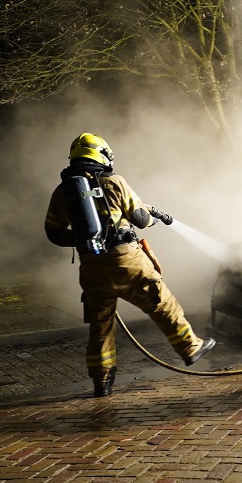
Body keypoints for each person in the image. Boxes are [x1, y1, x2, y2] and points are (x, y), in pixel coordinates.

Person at [44, 133, 215, 397]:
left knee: (100, 326)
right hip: (126, 260)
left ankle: (101, 382)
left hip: (91, 267)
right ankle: (190, 348)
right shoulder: (115, 182)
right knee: (162, 303)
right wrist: (151, 217)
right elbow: (141, 218)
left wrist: (85, 241)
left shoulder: (63, 191)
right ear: (101, 155)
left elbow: (53, 233)